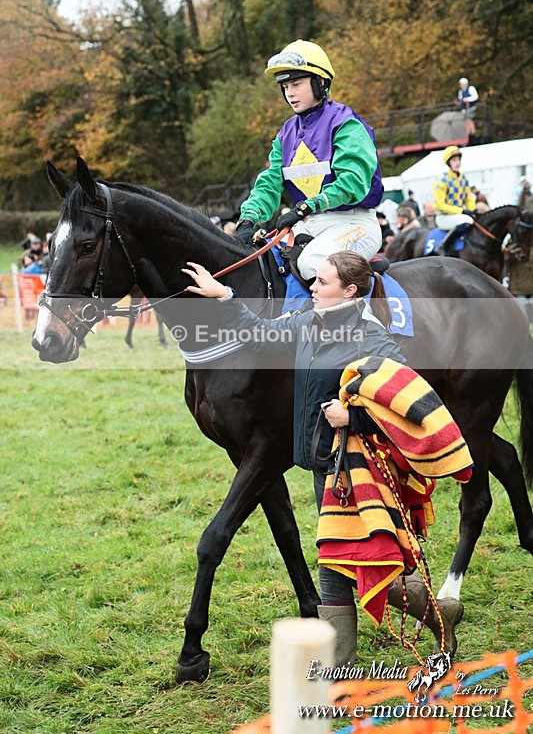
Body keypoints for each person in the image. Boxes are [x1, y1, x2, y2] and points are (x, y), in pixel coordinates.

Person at [182, 252, 466, 666]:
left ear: (349, 291)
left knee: (348, 560)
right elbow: (258, 331)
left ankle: (347, 662)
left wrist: (351, 417)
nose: (311, 286)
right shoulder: (307, 322)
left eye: (322, 282)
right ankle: (415, 627)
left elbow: (415, 403)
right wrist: (222, 293)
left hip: (359, 469)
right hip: (324, 464)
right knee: (342, 558)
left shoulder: (373, 339)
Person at [234, 40, 383, 282]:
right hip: (308, 224)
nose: (289, 93)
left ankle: (359, 319)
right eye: (285, 86)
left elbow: (353, 183)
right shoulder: (286, 133)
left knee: (313, 263)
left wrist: (307, 206)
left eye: (296, 84)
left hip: (355, 223)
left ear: (320, 82)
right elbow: (270, 183)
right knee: (260, 261)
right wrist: (248, 217)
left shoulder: (346, 124)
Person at [433, 146, 476, 256]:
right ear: (448, 163)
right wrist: (461, 211)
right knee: (466, 220)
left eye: (458, 160)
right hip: (443, 217)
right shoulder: (442, 180)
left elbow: (469, 199)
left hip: (458, 215)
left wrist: (473, 210)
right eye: (454, 160)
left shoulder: (463, 178)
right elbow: (440, 205)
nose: (457, 163)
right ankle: (442, 246)